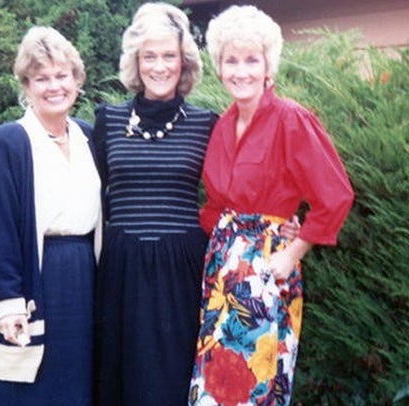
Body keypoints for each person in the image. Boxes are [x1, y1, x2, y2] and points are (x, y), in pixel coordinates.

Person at [93, 3, 299, 405]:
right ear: (136, 60)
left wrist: (282, 224)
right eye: (149, 56)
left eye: (169, 55)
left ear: (184, 60)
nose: (159, 66)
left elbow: (241, 185)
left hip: (182, 268)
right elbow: (91, 197)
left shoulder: (208, 123)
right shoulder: (108, 121)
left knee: (175, 378)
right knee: (120, 379)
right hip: (122, 268)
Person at [188, 5, 355, 406]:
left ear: (268, 66)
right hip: (222, 272)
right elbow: (216, 206)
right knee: (214, 384)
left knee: (252, 384)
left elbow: (335, 196)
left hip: (266, 270)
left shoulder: (291, 120)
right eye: (231, 60)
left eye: (251, 60)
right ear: (219, 66)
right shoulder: (223, 124)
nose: (241, 71)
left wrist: (293, 252)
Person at [0, 26, 101, 406]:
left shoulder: (88, 137)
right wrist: (10, 301)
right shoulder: (8, 142)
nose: (54, 86)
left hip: (85, 276)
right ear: (26, 85)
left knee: (79, 381)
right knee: (28, 381)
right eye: (41, 78)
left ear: (77, 80)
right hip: (39, 277)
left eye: (62, 75)